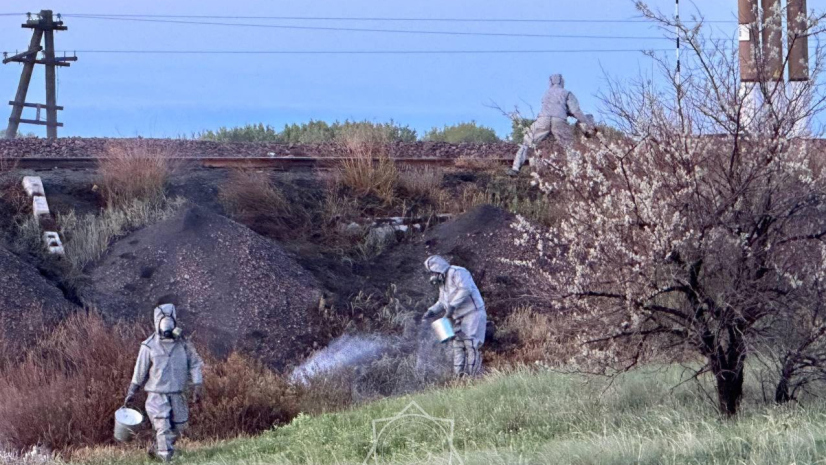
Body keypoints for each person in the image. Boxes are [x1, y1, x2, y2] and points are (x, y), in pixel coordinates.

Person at [124, 304, 204, 462]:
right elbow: (140, 372)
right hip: (157, 395)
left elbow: (195, 364)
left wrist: (198, 385)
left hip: (178, 393)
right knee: (162, 426)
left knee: (179, 427)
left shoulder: (183, 344)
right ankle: (165, 457)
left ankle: (158, 448)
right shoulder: (148, 346)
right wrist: (131, 392)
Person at [508, 74, 595, 176]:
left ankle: (515, 168)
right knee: (569, 147)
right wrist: (588, 123)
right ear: (562, 82)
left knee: (526, 142)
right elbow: (576, 111)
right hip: (559, 121)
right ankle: (575, 173)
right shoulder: (567, 93)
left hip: (543, 120)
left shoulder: (546, 94)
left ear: (550, 82)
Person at [421, 255, 487, 377]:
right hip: (458, 317)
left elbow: (465, 289)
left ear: (439, 269)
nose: (433, 275)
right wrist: (431, 311)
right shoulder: (442, 283)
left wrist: (451, 307)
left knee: (471, 343)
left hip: (473, 313)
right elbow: (442, 301)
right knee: (457, 346)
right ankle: (459, 378)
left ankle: (473, 377)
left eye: (434, 272)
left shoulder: (458, 272)